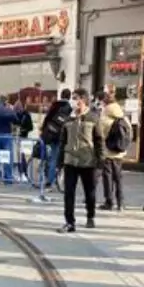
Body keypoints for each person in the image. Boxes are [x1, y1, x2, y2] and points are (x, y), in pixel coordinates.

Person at [57, 88, 104, 233]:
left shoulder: (93, 117)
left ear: (83, 100)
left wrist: (100, 161)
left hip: (88, 161)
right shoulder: (68, 119)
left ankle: (90, 216)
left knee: (89, 192)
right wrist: (59, 163)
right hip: (70, 161)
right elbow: (62, 141)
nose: (73, 100)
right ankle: (69, 222)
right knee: (68, 193)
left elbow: (99, 140)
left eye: (75, 97)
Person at [38, 89, 73, 201]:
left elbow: (47, 118)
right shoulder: (69, 108)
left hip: (49, 134)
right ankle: (51, 181)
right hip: (60, 136)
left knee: (50, 156)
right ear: (69, 96)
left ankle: (47, 177)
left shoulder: (55, 105)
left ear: (61, 95)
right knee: (55, 157)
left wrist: (43, 130)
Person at [99, 92, 128, 211]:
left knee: (108, 177)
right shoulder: (122, 116)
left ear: (104, 103)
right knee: (118, 177)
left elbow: (99, 135)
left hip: (108, 152)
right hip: (120, 152)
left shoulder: (104, 117)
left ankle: (109, 201)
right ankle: (120, 202)